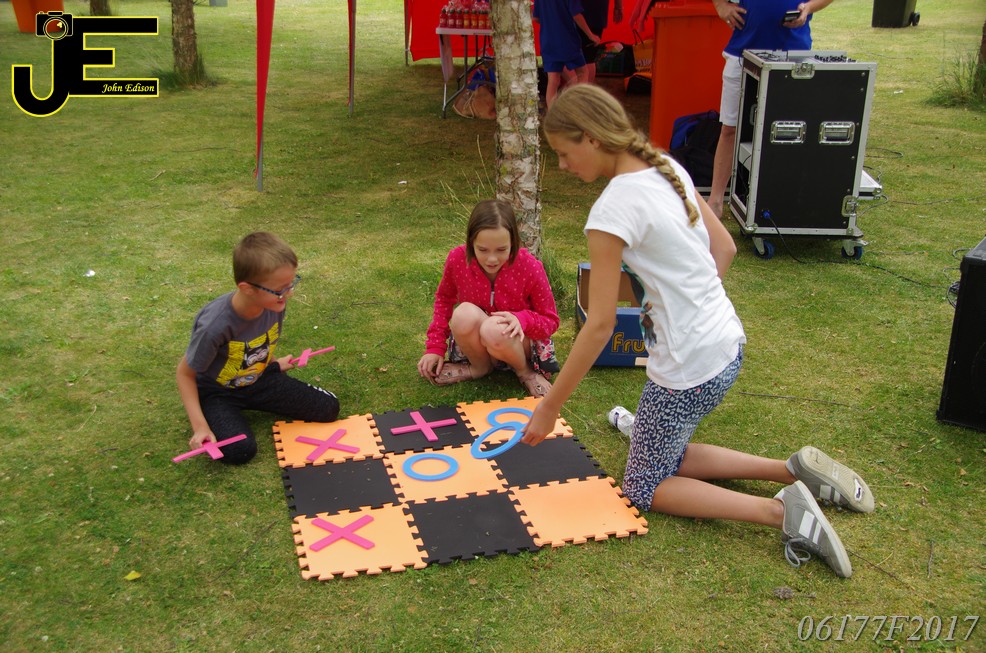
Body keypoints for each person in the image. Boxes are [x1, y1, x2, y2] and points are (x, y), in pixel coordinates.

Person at [524, 84, 873, 577]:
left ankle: (782, 512)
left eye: (563, 152)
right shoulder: (666, 167)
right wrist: (689, 313)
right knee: (665, 449)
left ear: (592, 138)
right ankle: (792, 470)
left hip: (686, 371)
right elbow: (724, 247)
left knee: (645, 486)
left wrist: (549, 408)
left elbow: (599, 324)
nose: (561, 165)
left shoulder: (610, 211)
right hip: (726, 343)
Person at [176, 232, 340, 465]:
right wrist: (200, 426)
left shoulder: (274, 303)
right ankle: (212, 412)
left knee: (329, 408)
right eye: (281, 289)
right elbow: (184, 374)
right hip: (218, 391)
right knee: (239, 451)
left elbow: (258, 342)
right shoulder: (214, 326)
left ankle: (257, 390)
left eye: (291, 284)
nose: (289, 293)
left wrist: (272, 363)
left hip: (259, 380)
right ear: (248, 289)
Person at [417, 200, 560, 398]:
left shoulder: (530, 267)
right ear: (471, 243)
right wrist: (435, 347)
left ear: (513, 243)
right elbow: (444, 299)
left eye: (501, 250)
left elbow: (551, 320)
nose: (492, 259)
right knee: (463, 314)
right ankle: (479, 368)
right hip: (477, 346)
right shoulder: (457, 259)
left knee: (494, 328)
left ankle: (525, 372)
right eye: (483, 250)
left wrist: (521, 319)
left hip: (518, 345)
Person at [707, 0, 835, 218]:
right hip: (742, 50)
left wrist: (809, 8)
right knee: (730, 129)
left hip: (794, 55)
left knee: (790, 133)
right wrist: (720, 6)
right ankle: (716, 201)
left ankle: (783, 200)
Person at [534, 0, 602, 107]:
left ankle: (552, 113)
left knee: (553, 80)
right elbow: (576, 15)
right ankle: (578, 106)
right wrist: (590, 35)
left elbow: (536, 18)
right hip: (567, 40)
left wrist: (551, 20)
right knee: (583, 72)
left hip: (547, 41)